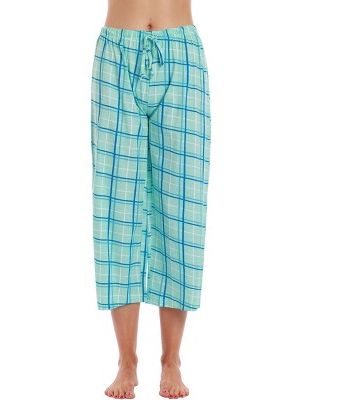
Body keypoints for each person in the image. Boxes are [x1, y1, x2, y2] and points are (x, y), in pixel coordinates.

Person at [90, 0, 211, 398]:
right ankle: (126, 362)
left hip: (181, 51)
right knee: (115, 206)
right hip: (116, 51)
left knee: (181, 206)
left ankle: (171, 360)